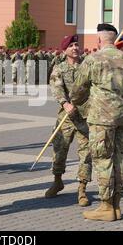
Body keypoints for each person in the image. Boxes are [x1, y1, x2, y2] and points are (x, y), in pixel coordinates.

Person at [70, 24, 123, 222]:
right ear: (114, 40)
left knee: (102, 159)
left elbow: (78, 89)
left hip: (102, 117)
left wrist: (77, 101)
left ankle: (106, 206)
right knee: (119, 157)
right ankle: (117, 205)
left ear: (99, 40)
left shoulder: (93, 59)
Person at [45, 35, 92, 207]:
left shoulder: (87, 67)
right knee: (59, 151)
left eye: (76, 45)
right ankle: (57, 181)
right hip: (66, 117)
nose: (75, 48)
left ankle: (82, 189)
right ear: (65, 50)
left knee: (86, 154)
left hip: (85, 117)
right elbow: (56, 88)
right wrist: (65, 103)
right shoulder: (59, 68)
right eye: (71, 45)